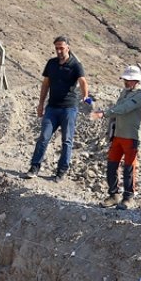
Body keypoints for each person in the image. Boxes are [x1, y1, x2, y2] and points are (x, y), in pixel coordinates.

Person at [26, 36, 89, 180]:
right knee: (43, 137)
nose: (59, 51)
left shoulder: (75, 65)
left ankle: (61, 171)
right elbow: (45, 84)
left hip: (68, 109)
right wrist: (41, 104)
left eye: (61, 47)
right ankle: (34, 167)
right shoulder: (51, 63)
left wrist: (85, 95)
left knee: (67, 140)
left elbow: (83, 81)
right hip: (52, 108)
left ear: (68, 47)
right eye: (57, 48)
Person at [97, 65, 141, 209]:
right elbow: (119, 108)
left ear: (136, 80)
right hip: (118, 135)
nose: (126, 82)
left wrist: (105, 113)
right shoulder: (124, 92)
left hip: (131, 136)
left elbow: (124, 108)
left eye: (129, 79)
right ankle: (114, 195)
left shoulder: (140, 95)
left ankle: (128, 198)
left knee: (129, 168)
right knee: (111, 166)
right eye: (125, 79)